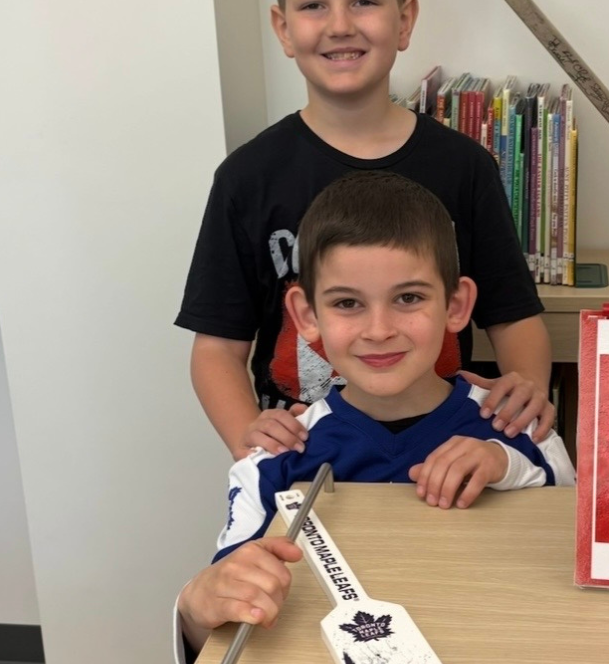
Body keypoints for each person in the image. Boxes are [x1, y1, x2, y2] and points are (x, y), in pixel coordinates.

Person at [175, 0, 554, 463]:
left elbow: (513, 315)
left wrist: (525, 392)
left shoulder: (465, 167)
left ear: (403, 21)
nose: (340, 25)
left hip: (447, 456)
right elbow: (217, 350)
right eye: (313, 5)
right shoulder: (246, 178)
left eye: (364, 1)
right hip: (309, 460)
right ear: (283, 28)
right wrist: (250, 446)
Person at [174, 172, 574, 662]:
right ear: (306, 315)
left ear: (456, 305)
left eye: (408, 298)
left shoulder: (514, 427)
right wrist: (194, 609)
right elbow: (223, 621)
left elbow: (569, 521)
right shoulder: (275, 459)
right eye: (347, 303)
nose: (379, 330)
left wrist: (502, 462)